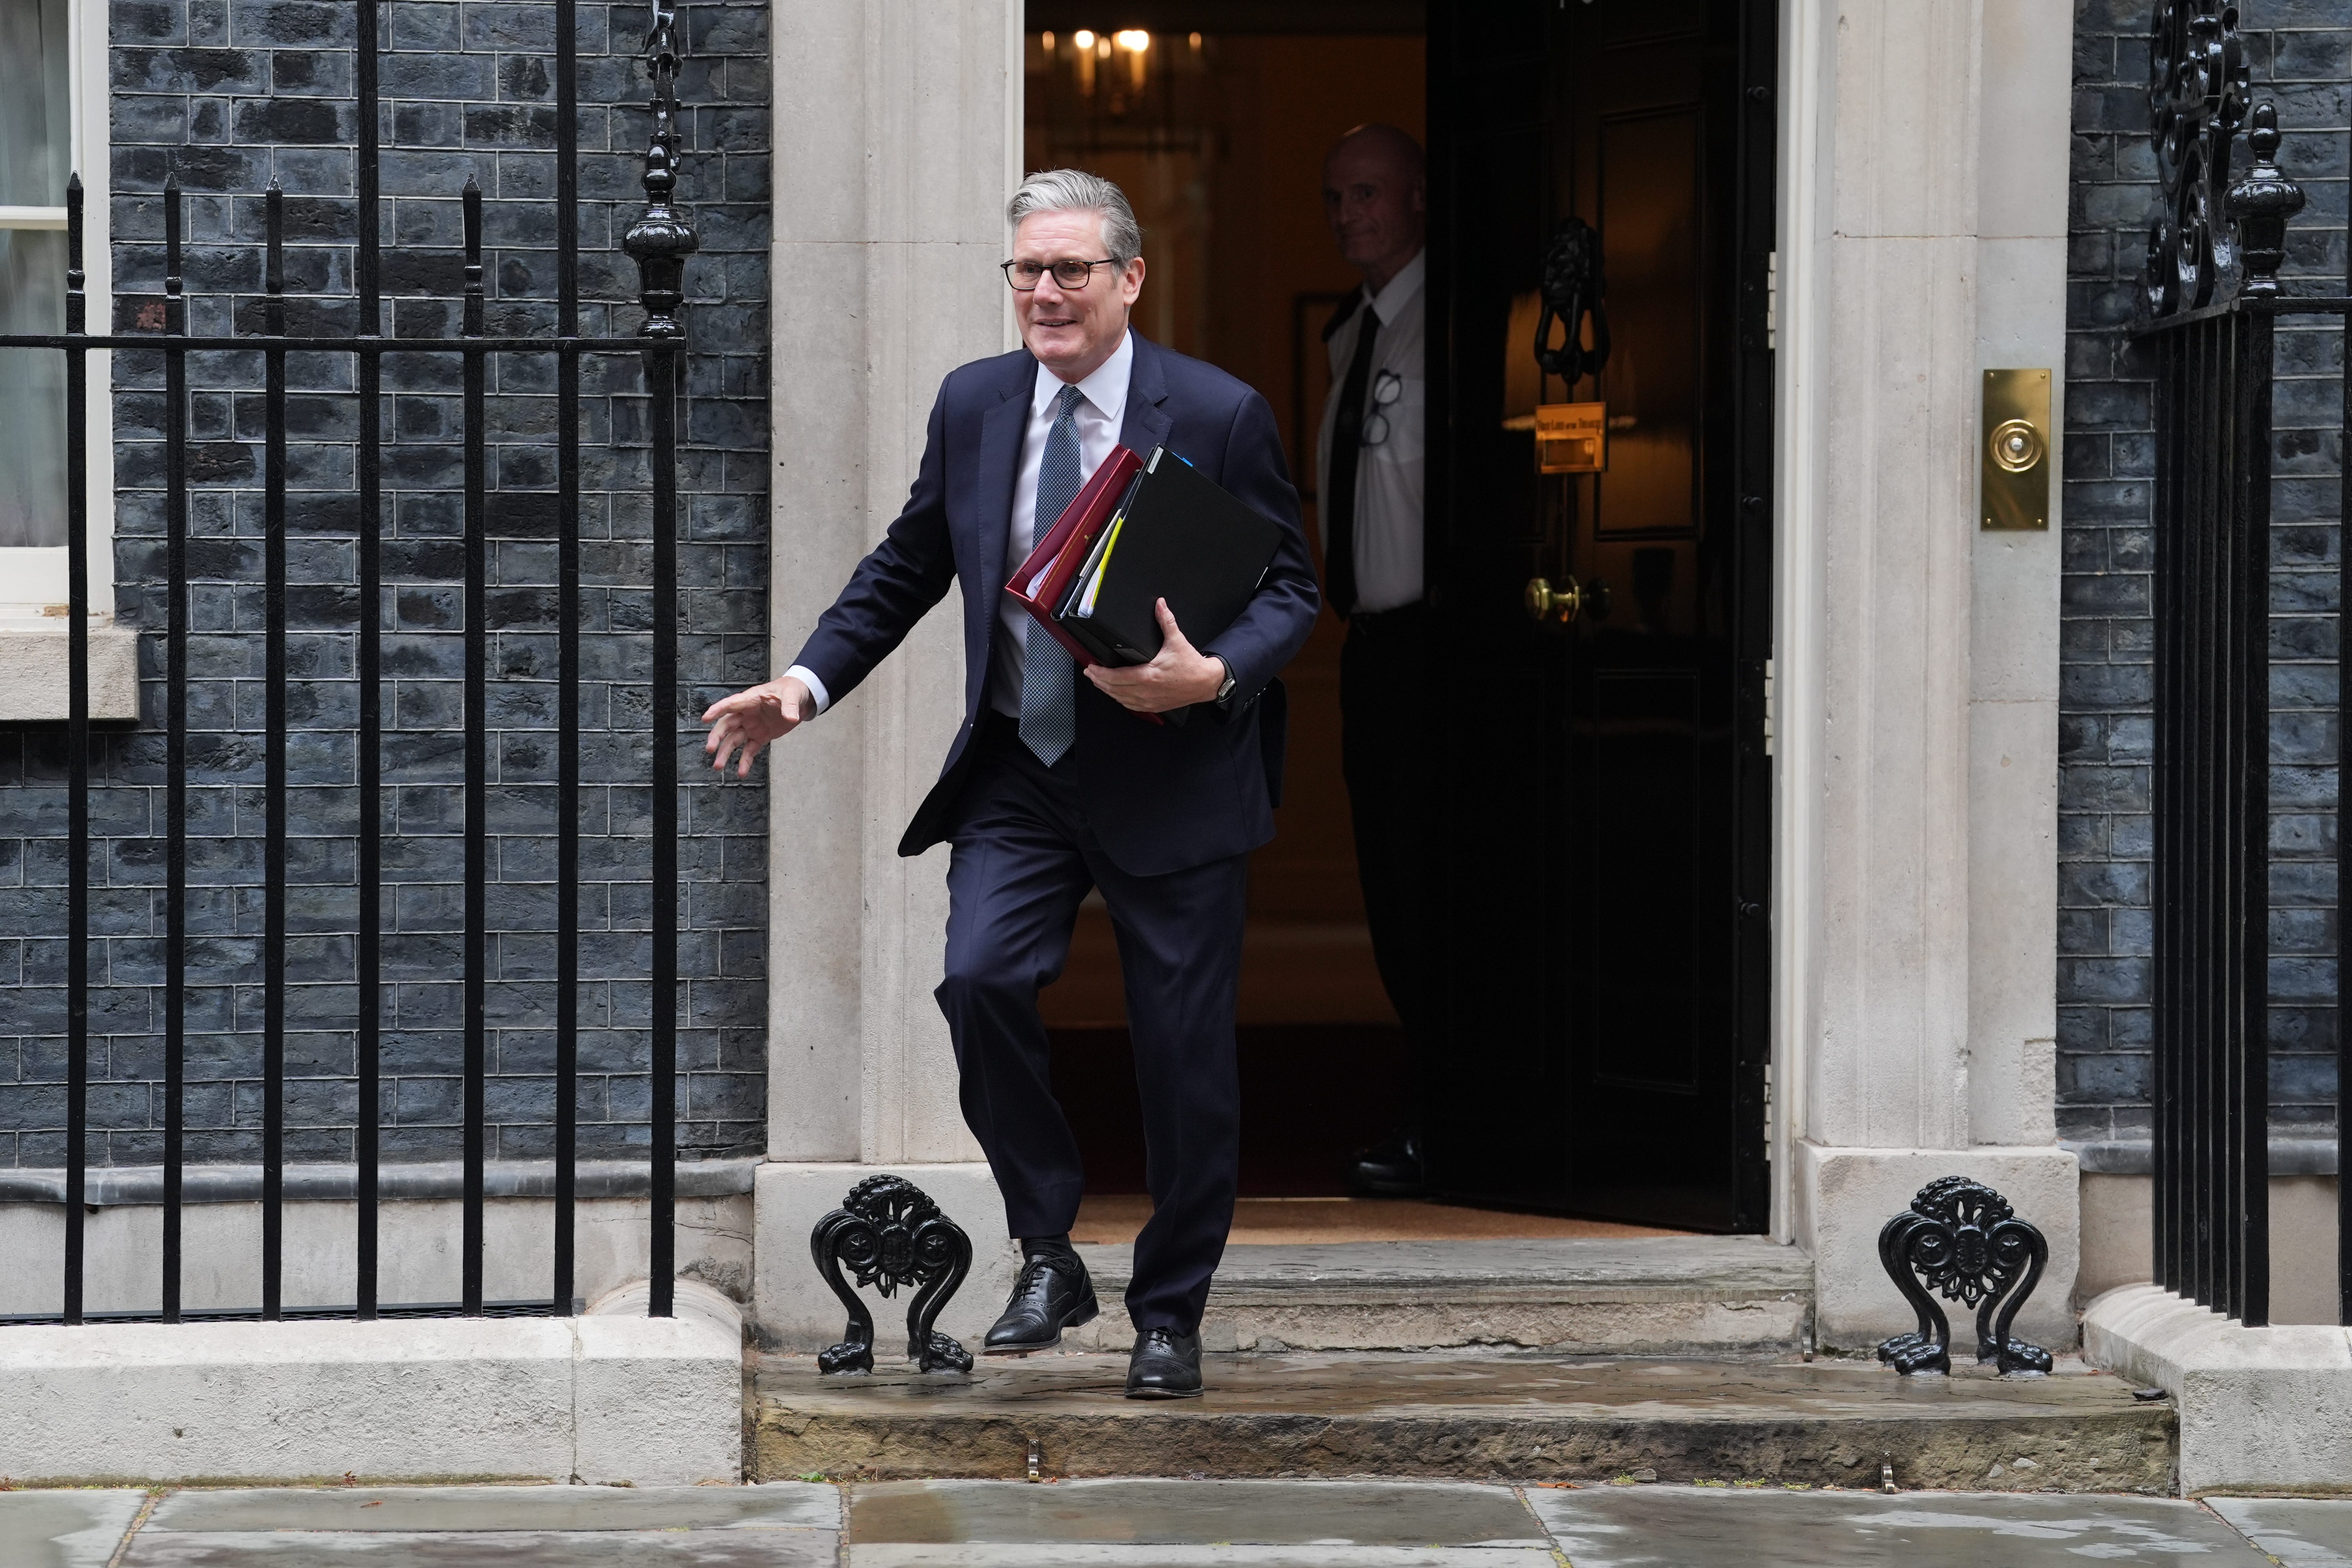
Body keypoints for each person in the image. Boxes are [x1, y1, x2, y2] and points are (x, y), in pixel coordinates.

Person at [701, 170, 1319, 1399]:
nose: (1043, 293)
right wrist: (803, 687)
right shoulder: (976, 404)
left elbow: (1291, 591)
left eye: (1069, 272)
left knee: (1181, 1058)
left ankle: (1170, 1314)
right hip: (1020, 770)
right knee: (977, 978)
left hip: (1176, 776)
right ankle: (1048, 1246)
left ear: (1129, 279)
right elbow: (907, 565)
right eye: (1026, 272)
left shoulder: (1219, 410)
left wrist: (1211, 679)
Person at [1316, 124, 1434, 1198]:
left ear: (1416, 198)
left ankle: (1449, 1114)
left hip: (1446, 656)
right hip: (1372, 651)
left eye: (1368, 194)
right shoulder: (1354, 337)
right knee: (1391, 890)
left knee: (1441, 892)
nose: (1350, 215)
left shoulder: (1448, 322)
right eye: (1336, 199)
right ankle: (1427, 1103)